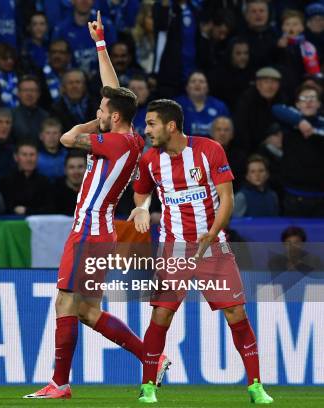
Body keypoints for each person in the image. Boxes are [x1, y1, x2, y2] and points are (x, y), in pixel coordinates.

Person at [25, 12, 162, 400]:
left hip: (89, 229)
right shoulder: (131, 135)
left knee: (65, 302)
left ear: (113, 117)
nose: (97, 111)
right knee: (86, 311)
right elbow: (113, 91)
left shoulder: (114, 142)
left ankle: (60, 384)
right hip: (101, 230)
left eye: (102, 110)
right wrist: (100, 44)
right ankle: (152, 356)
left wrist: (89, 125)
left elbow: (67, 139)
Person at [130, 99, 273, 403]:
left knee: (236, 313)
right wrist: (141, 208)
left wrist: (210, 234)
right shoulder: (149, 160)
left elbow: (227, 199)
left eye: (152, 123)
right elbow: (141, 192)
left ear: (171, 125)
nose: (147, 131)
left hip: (213, 246)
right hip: (173, 248)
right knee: (161, 315)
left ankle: (256, 385)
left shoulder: (209, 150)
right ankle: (148, 387)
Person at [277, 84, 324, 217]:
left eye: (312, 98)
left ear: (319, 104)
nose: (308, 101)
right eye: (304, 98)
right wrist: (300, 122)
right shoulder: (288, 123)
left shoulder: (321, 123)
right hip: (294, 195)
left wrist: (315, 131)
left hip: (321, 196)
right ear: (297, 104)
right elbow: (277, 108)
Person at [52, 0, 116, 77]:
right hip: (71, 79)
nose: (84, 1)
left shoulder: (105, 25)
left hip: (101, 78)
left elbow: (114, 55)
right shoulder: (61, 29)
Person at [234, 66, 285, 152]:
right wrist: (264, 142)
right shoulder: (246, 101)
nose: (270, 86)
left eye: (274, 82)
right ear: (258, 84)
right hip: (251, 149)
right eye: (266, 82)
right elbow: (242, 131)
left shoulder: (282, 99)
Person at [0, 142, 52, 215]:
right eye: (24, 155)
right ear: (16, 157)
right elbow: (5, 208)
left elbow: (50, 209)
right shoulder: (5, 181)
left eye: (32, 155)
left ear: (37, 157)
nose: (29, 159)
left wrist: (27, 211)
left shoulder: (45, 182)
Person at [175, 71, 229, 137]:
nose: (197, 84)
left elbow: (227, 131)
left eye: (201, 81)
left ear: (207, 87)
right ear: (187, 87)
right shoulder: (177, 105)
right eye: (193, 81)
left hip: (212, 146)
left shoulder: (219, 106)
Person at [209, 38, 253, 111]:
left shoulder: (252, 73)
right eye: (238, 53)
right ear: (230, 54)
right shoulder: (218, 75)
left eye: (246, 53)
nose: (243, 57)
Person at [210, 116, 247, 188]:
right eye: (218, 129)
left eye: (226, 130)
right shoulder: (202, 153)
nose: (222, 133)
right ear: (212, 133)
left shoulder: (240, 156)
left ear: (232, 135)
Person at [11, 75, 49, 143]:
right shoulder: (10, 115)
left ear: (38, 94)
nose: (29, 94)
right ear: (18, 94)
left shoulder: (46, 117)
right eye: (25, 90)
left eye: (32, 90)